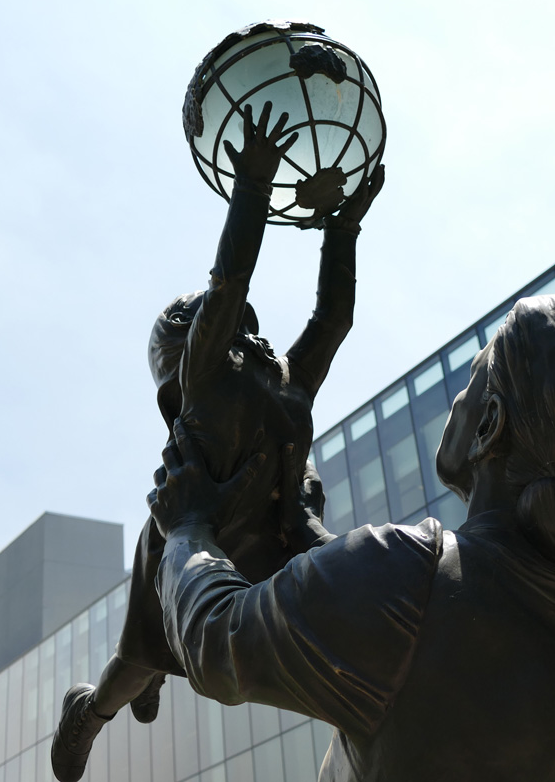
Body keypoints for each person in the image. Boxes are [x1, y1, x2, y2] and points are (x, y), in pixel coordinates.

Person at [149, 294, 555, 781]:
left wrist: (187, 527)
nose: (459, 399)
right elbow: (431, 632)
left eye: (475, 376)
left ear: (489, 426)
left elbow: (217, 640)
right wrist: (311, 536)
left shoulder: (405, 570)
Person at [51, 102, 385, 782]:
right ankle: (90, 711)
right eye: (227, 324)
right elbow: (230, 283)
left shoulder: (287, 385)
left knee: (338, 636)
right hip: (193, 535)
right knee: (136, 663)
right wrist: (253, 185)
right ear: (189, 343)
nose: (252, 330)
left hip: (273, 539)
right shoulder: (204, 377)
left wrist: (343, 229)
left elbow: (333, 316)